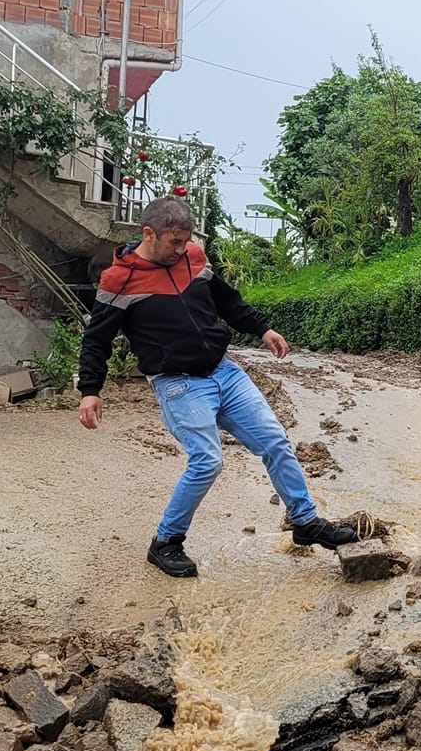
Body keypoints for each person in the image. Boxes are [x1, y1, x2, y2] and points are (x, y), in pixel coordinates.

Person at [74, 196, 357, 579]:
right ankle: (166, 542)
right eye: (173, 242)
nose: (181, 249)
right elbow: (96, 339)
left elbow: (228, 302)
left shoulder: (194, 257)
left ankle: (305, 521)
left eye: (184, 241)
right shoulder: (118, 279)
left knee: (275, 440)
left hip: (224, 372)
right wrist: (90, 388)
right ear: (148, 234)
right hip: (178, 385)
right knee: (207, 460)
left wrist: (263, 328)